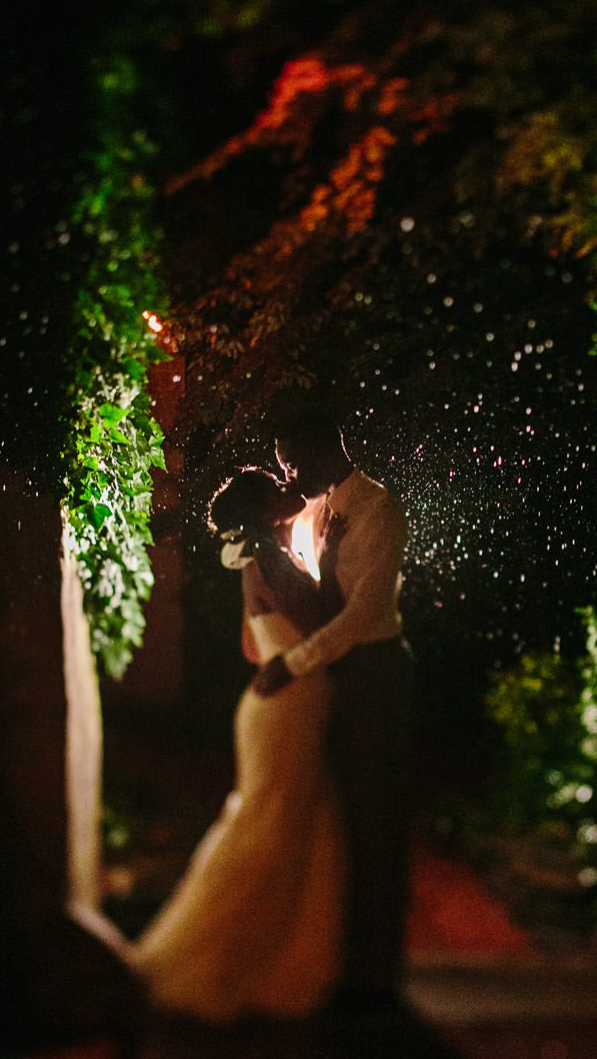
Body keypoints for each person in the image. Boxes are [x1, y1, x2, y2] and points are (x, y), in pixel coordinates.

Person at [128, 468, 345, 1023]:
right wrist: (330, 552)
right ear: (268, 508)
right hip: (288, 706)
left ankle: (273, 968)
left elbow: (252, 644)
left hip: (276, 703)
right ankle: (216, 966)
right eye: (277, 488)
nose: (287, 491)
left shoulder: (258, 561)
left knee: (280, 823)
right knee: (268, 827)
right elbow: (326, 624)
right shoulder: (274, 559)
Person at [254, 408, 415, 1017]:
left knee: (375, 815)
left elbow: (361, 615)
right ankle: (339, 960)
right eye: (280, 463)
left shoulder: (378, 509)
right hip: (332, 671)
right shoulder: (313, 508)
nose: (286, 473)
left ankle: (376, 977)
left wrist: (292, 663)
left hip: (374, 671)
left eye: (293, 461)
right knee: (335, 819)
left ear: (329, 446)